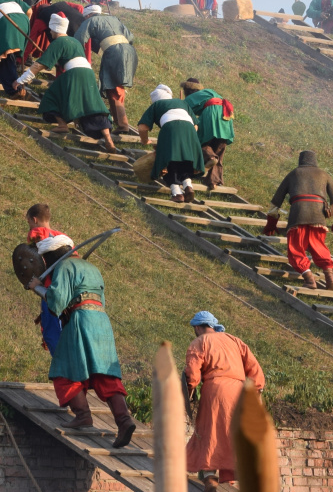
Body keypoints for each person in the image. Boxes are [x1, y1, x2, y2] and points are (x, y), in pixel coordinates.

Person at [19, 231, 136, 447]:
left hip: (80, 320)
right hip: (101, 321)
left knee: (63, 369)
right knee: (104, 374)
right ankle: (124, 420)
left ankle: (83, 415)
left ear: (51, 257)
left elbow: (56, 300)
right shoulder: (92, 268)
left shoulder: (63, 267)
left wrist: (37, 287)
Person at [183, 310, 265, 492]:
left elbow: (192, 376)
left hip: (215, 390)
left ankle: (210, 477)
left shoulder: (199, 342)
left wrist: (188, 390)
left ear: (198, 327)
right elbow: (254, 369)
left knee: (209, 431)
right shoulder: (235, 340)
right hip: (239, 392)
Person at [29, 13, 118, 151]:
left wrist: (21, 80)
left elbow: (41, 64)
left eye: (51, 29)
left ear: (54, 28)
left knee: (52, 97)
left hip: (74, 73)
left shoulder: (58, 42)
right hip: (87, 73)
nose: (50, 32)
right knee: (93, 106)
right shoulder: (75, 41)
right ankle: (109, 140)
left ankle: (62, 124)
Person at [263, 150, 333, 290]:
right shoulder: (324, 174)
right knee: (318, 246)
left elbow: (275, 204)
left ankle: (309, 279)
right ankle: (329, 277)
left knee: (296, 249)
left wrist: (271, 225)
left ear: (301, 161)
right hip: (318, 216)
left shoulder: (294, 174)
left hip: (298, 216)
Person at [137, 83, 206, 204]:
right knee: (184, 159)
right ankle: (188, 185)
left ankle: (177, 193)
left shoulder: (157, 105)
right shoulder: (183, 103)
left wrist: (144, 141)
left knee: (168, 160)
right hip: (190, 131)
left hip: (170, 129)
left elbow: (143, 128)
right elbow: (195, 126)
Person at [74, 3, 137, 134]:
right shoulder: (114, 19)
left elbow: (79, 39)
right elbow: (130, 37)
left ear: (89, 15)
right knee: (113, 88)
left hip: (114, 53)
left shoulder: (91, 20)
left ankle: (123, 124)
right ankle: (119, 123)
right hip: (130, 52)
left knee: (114, 88)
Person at [24, 204, 65, 352]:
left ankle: (62, 371)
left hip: (49, 289)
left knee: (51, 334)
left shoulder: (37, 233)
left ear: (34, 219)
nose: (29, 227)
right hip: (65, 290)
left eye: (28, 222)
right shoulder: (61, 236)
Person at [182, 78, 234, 190]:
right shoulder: (209, 93)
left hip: (212, 113)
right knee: (220, 147)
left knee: (200, 141)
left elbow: (182, 109)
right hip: (225, 115)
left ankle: (210, 157)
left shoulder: (195, 96)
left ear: (188, 90)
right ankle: (213, 181)